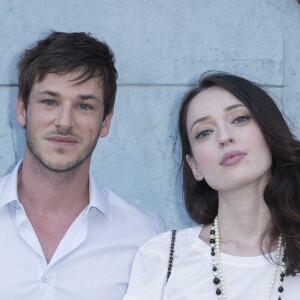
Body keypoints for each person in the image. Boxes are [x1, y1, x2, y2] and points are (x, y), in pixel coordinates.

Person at [0, 31, 165, 300]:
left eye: (84, 106)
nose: (65, 122)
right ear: (21, 109)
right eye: (50, 101)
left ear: (106, 121)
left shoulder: (145, 236)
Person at [123, 72, 300, 300]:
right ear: (194, 165)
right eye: (204, 132)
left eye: (239, 119)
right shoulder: (163, 256)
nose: (224, 137)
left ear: (269, 131)